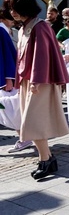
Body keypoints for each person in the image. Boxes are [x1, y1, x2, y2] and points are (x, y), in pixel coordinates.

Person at [3, 0, 69, 180]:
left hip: (39, 82)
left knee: (32, 123)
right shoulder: (25, 27)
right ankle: (47, 158)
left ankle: (46, 160)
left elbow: (42, 56)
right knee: (32, 123)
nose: (12, 12)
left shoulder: (40, 26)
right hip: (29, 82)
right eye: (10, 8)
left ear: (25, 7)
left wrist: (36, 80)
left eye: (14, 7)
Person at [0, 17, 33, 153]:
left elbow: (7, 55)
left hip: (5, 78)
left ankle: (26, 137)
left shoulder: (1, 31)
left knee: (13, 111)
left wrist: (8, 78)